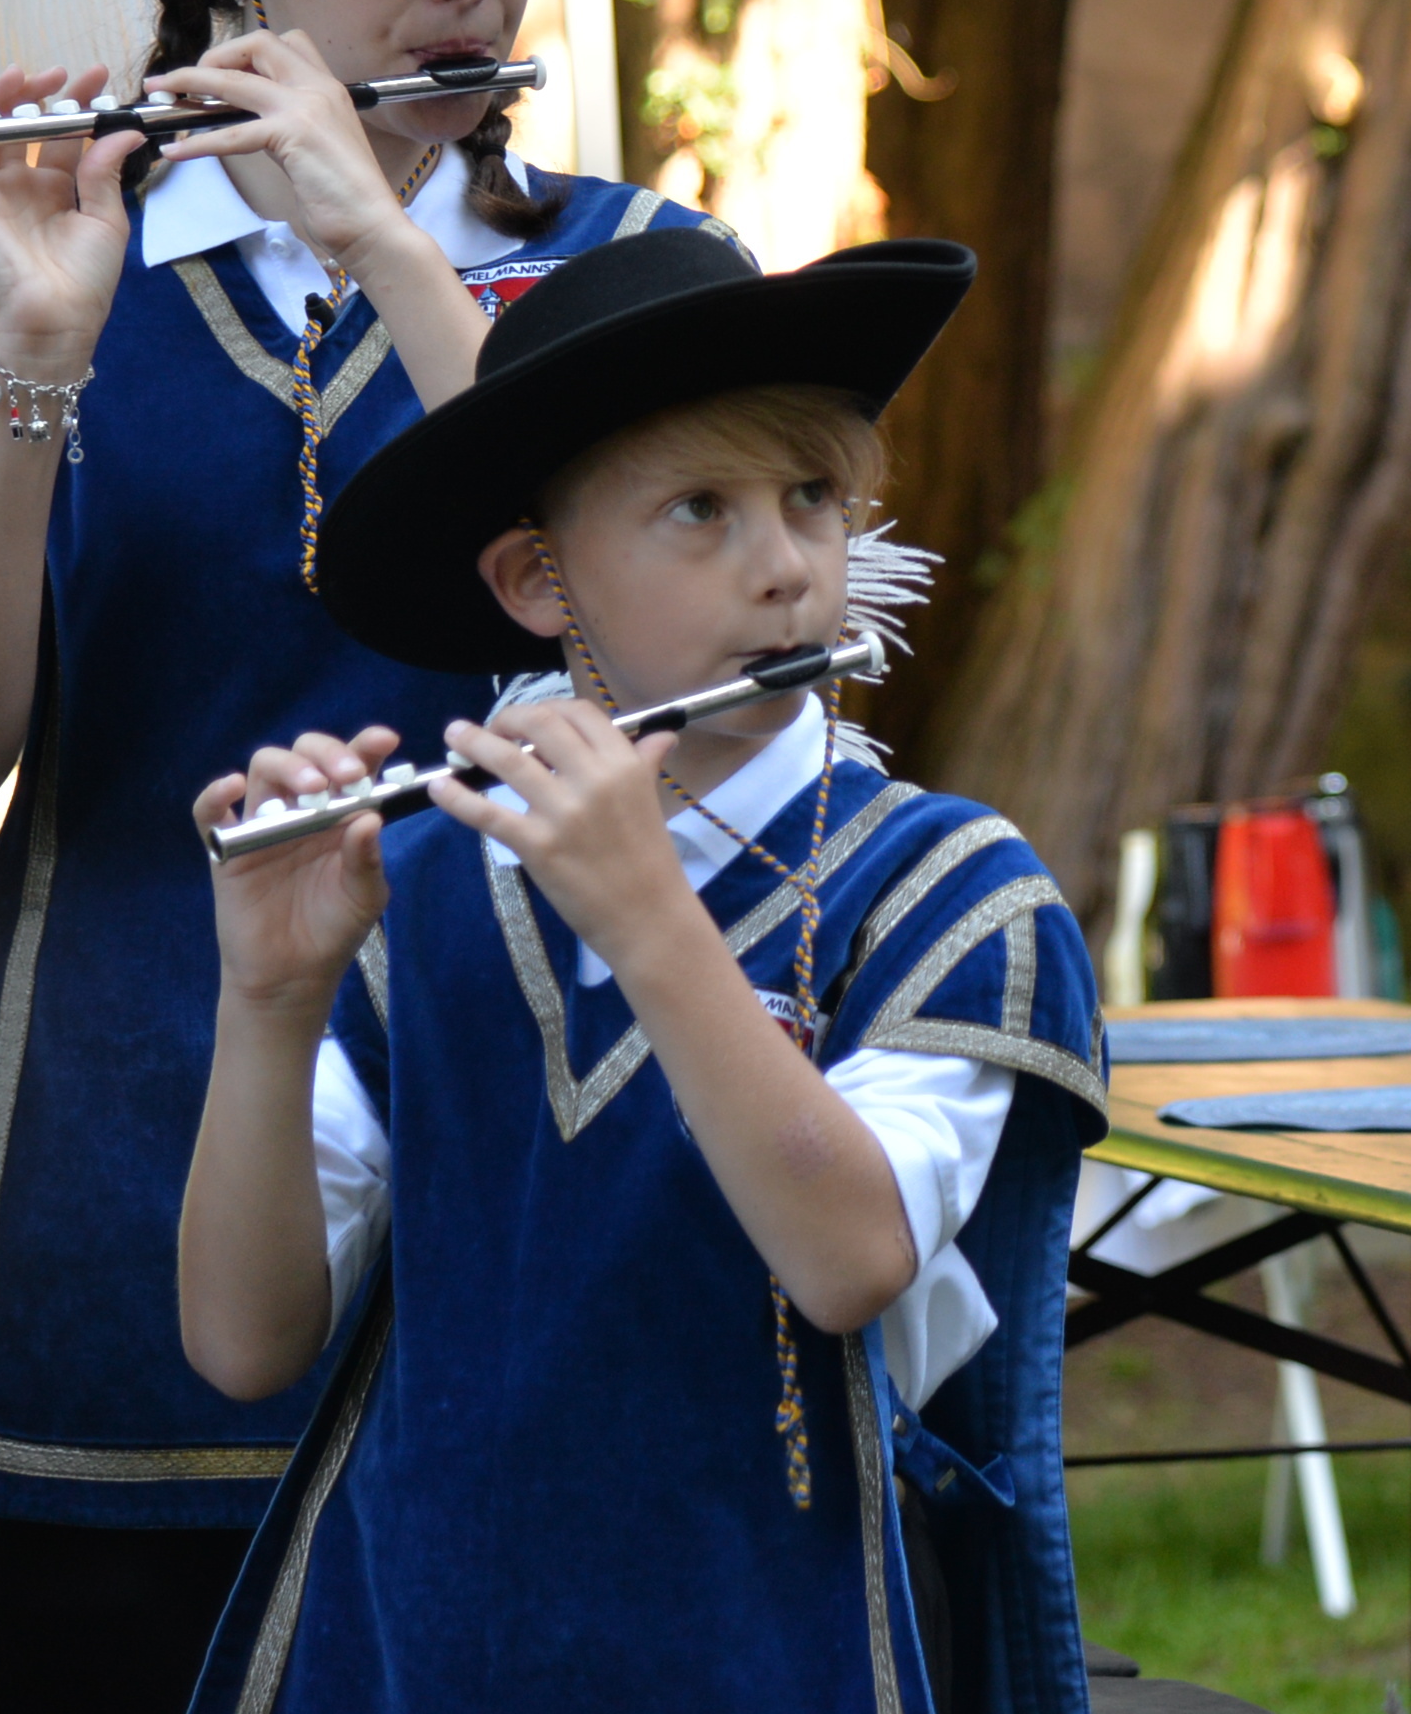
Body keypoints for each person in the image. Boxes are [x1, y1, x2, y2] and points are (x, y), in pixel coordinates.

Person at [0, 0, 713, 1709]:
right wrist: (43, 348)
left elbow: (677, 671)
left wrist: (398, 247)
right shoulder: (28, 288)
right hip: (113, 1182)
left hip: (548, 1154)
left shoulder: (646, 276)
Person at [180, 225, 1107, 1710]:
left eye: (813, 497)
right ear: (539, 583)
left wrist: (650, 918)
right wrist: (269, 1002)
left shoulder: (948, 884)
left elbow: (852, 1259)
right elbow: (240, 1342)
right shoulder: (413, 888)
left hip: (771, 1651)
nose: (788, 566)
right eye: (700, 510)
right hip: (401, 1650)